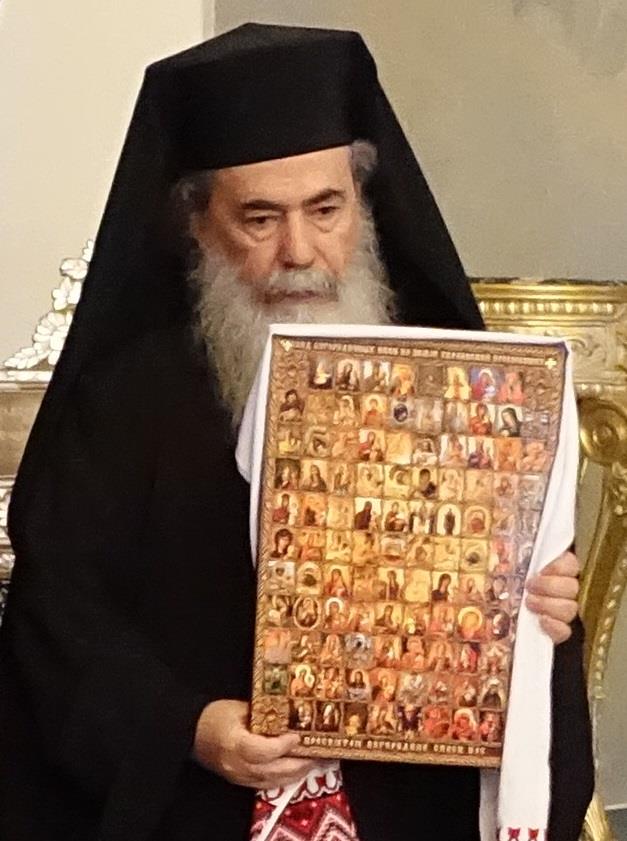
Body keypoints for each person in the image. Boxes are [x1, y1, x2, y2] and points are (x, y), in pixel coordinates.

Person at [0, 22, 592, 841]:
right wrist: (190, 727)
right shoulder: (124, 400)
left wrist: (536, 602)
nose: (300, 251)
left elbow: (514, 643)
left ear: (363, 205)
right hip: (196, 811)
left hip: (411, 810)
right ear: (197, 222)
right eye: (259, 218)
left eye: (325, 209)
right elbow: (57, 623)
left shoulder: (458, 388)